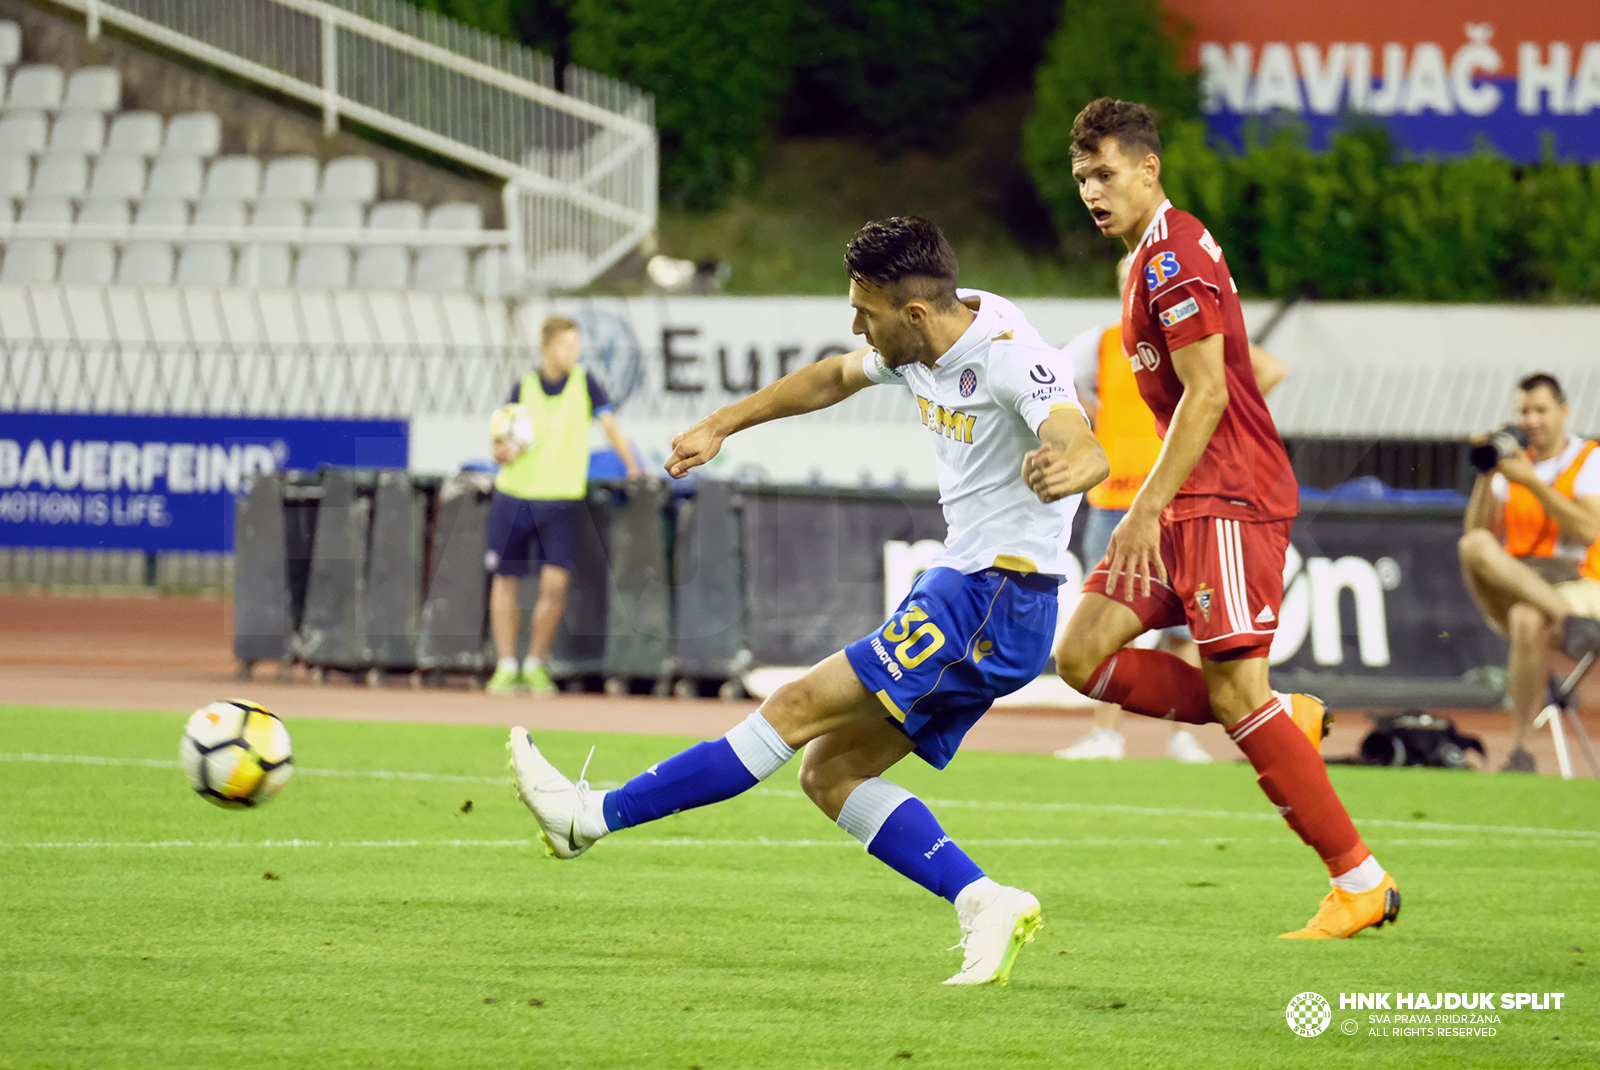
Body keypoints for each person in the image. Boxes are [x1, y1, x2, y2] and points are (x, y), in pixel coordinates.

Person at [507, 217, 1109, 985]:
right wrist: (722, 423)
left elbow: (1078, 435)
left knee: (791, 708)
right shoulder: (925, 337)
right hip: (975, 595)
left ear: (914, 313)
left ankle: (588, 819)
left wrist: (1072, 466)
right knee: (828, 776)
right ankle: (984, 901)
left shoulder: (1010, 361)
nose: (856, 324)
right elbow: (830, 377)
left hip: (992, 597)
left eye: (865, 312)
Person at [1041, 97, 1399, 940]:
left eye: (1105, 173)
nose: (1093, 191)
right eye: (1081, 178)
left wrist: (1142, 509)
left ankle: (1360, 882)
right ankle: (1284, 719)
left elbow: (1209, 394)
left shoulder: (1169, 261)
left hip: (1225, 499)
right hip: (1189, 500)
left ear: (1148, 168)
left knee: (1238, 691)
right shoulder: (1145, 263)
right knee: (1081, 655)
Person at [1055, 253, 1287, 764]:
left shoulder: (1194, 338)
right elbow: (1050, 377)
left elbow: (1268, 370)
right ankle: (1107, 734)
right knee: (1104, 628)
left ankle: (1178, 734)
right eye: (1127, 282)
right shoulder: (1101, 342)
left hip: (1176, 501)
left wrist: (1221, 411)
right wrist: (1083, 416)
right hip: (1117, 501)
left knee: (1184, 628)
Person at [485, 315, 644, 695]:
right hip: (515, 495)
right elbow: (498, 445)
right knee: (505, 580)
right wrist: (502, 451)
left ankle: (536, 662)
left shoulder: (585, 383)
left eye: (576, 345)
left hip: (560, 500)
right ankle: (506, 665)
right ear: (546, 349)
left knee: (554, 584)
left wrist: (634, 468)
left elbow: (610, 427)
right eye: (566, 346)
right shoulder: (523, 387)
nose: (573, 353)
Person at [1457, 373, 1600, 772]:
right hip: (1521, 576)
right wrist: (1488, 472)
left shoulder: (1589, 458)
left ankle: (1522, 749)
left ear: (1563, 412)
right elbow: (1478, 532)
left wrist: (1532, 482)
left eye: (1541, 410)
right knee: (1472, 545)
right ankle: (1571, 623)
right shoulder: (1513, 463)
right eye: (1524, 411)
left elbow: (1588, 531)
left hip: (1577, 578)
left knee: (1526, 617)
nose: (1532, 420)